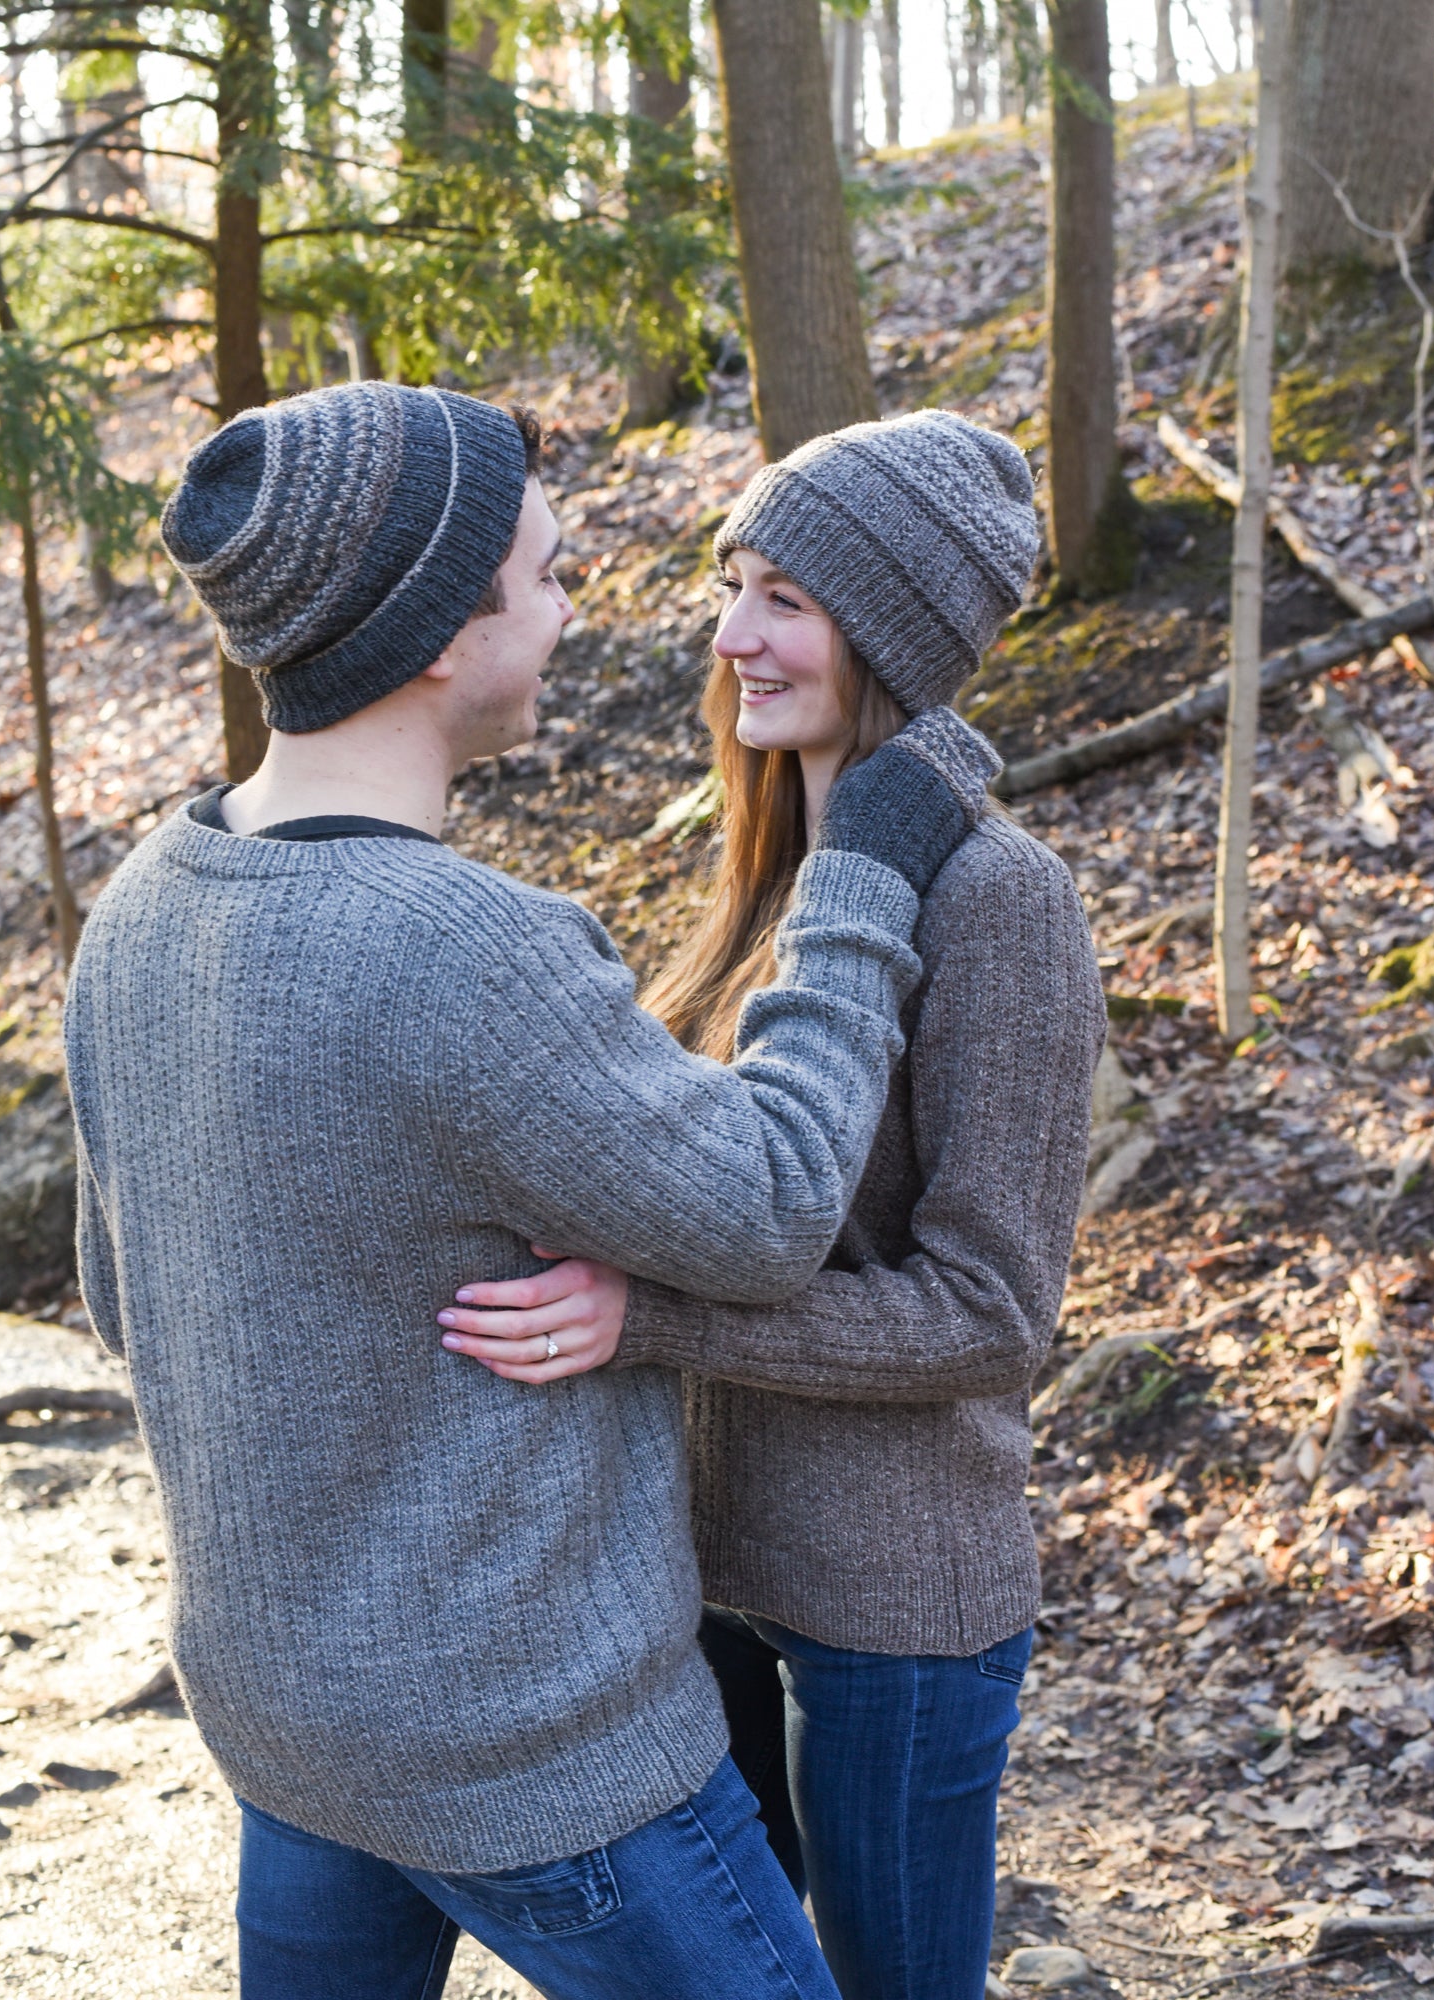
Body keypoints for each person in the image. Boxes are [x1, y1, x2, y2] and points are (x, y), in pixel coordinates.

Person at [63, 383, 996, 2000]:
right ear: (441, 637)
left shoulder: (142, 904)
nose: (575, 614)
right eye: (551, 578)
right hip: (544, 1765)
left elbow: (119, 1300)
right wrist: (856, 881)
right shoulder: (466, 950)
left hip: (290, 1732)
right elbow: (775, 1202)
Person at [437, 410, 1108, 2000]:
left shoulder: (1004, 899)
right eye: (735, 583)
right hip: (703, 1575)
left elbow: (994, 1313)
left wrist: (645, 1316)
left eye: (786, 599)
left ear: (891, 631)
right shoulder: (772, 867)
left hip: (895, 1612)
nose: (732, 633)